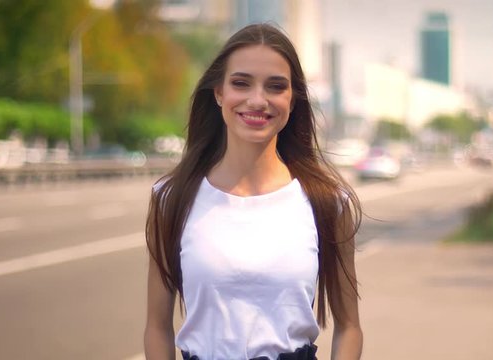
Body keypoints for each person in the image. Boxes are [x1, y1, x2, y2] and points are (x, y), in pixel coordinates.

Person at [144, 23, 363, 360]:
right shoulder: (171, 198)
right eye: (241, 83)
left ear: (292, 100)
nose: (257, 100)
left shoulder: (329, 203)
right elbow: (157, 327)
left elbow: (349, 327)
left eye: (276, 86)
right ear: (219, 93)